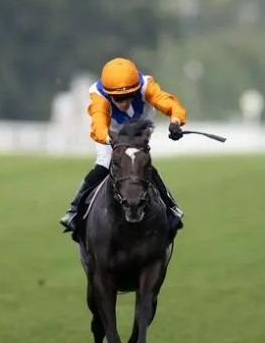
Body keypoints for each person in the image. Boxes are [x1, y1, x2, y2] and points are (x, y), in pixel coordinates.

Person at [58, 57, 187, 235]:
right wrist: (111, 139)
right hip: (112, 135)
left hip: (138, 133)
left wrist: (175, 122)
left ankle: (171, 208)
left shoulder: (146, 85)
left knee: (141, 165)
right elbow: (98, 125)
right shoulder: (98, 94)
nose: (125, 102)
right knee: (104, 164)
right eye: (118, 98)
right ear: (108, 93)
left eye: (129, 96)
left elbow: (170, 104)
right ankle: (74, 210)